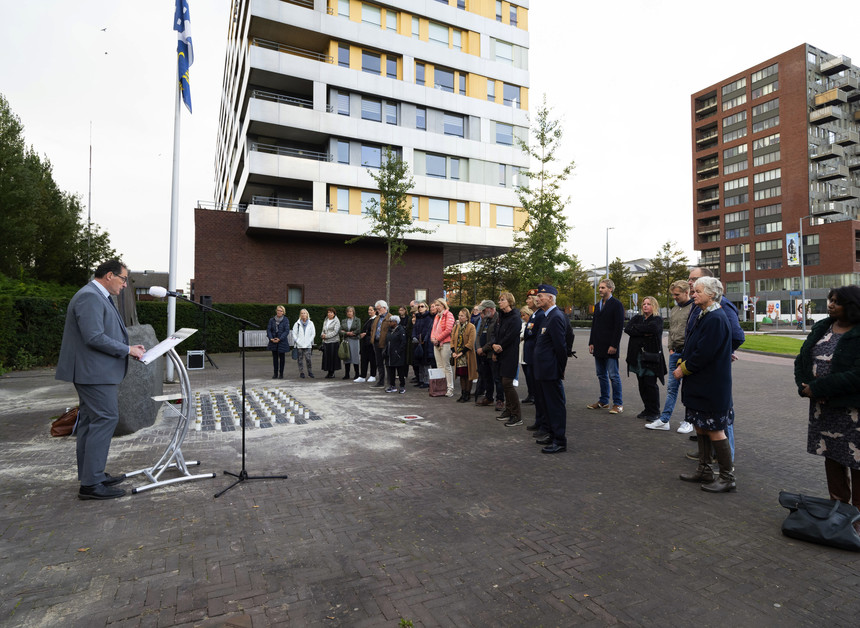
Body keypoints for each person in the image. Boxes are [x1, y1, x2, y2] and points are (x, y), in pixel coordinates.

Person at [56, 259, 146, 500]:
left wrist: (127, 346)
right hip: (92, 373)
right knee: (106, 417)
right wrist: (128, 350)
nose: (125, 285)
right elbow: (94, 337)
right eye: (123, 279)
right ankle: (91, 484)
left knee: (89, 421)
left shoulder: (98, 296)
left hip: (94, 371)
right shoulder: (90, 297)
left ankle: (91, 475)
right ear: (109, 275)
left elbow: (102, 333)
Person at [794, 285, 860, 515]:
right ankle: (839, 510)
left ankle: (858, 516)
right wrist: (804, 386)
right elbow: (802, 358)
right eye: (830, 300)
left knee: (856, 462)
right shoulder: (823, 326)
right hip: (824, 410)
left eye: (837, 301)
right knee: (832, 458)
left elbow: (856, 375)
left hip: (852, 412)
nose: (830, 304)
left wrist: (818, 387)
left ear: (851, 305)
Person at [674, 277, 736, 493]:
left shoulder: (716, 318)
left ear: (711, 294)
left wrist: (684, 368)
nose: (693, 294)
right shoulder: (706, 314)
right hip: (700, 384)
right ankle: (704, 469)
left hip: (711, 385)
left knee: (716, 429)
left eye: (698, 291)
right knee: (700, 425)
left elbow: (704, 353)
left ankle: (727, 477)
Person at [685, 267, 745, 460]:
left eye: (694, 279)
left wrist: (722, 353)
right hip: (700, 372)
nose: (690, 283)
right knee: (706, 419)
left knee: (720, 418)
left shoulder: (722, 306)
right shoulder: (698, 305)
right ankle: (708, 457)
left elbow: (736, 335)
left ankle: (727, 462)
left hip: (711, 375)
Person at [647, 281, 693, 432]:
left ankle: (689, 421)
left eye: (677, 294)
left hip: (688, 354)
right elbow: (672, 329)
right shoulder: (674, 309)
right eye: (673, 294)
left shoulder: (694, 309)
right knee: (672, 388)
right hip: (675, 353)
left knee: (689, 389)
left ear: (687, 292)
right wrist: (671, 348)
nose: (674, 297)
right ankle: (664, 420)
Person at [531, 285, 570, 453]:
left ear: (551, 298)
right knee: (547, 404)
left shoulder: (555, 317)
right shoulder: (547, 316)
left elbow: (561, 347)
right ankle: (552, 434)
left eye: (540, 296)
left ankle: (559, 440)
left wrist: (559, 369)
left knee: (555, 405)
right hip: (543, 369)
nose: (537, 299)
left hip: (550, 370)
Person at [624, 296, 667, 421]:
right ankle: (647, 409)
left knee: (650, 384)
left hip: (651, 358)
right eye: (644, 304)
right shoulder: (637, 318)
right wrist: (644, 332)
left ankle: (655, 411)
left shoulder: (657, 319)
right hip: (637, 357)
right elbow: (628, 329)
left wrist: (637, 329)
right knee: (641, 384)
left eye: (648, 304)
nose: (645, 306)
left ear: (654, 306)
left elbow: (653, 329)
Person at [587, 279, 625, 414]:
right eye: (599, 287)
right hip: (598, 345)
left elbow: (618, 327)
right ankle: (603, 401)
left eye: (603, 287)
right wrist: (591, 342)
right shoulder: (598, 306)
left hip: (610, 346)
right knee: (601, 374)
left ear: (610, 289)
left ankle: (618, 403)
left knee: (613, 375)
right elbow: (594, 325)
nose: (600, 290)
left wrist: (614, 345)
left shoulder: (617, 305)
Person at [492, 292, 523, 427]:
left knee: (508, 383)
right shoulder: (501, 316)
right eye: (499, 300)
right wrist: (494, 345)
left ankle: (517, 415)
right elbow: (495, 333)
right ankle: (509, 410)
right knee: (504, 383)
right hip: (500, 352)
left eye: (502, 300)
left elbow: (511, 335)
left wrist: (500, 346)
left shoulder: (516, 317)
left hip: (510, 354)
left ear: (509, 302)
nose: (500, 302)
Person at [477, 300, 505, 409]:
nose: (482, 312)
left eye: (484, 310)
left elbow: (495, 338)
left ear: (491, 309)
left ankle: (500, 399)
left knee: (497, 378)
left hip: (492, 353)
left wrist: (483, 348)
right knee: (486, 377)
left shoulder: (498, 320)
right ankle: (489, 397)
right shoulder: (485, 319)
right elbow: (479, 334)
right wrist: (479, 347)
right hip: (483, 353)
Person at [451, 308, 477, 402]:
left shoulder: (471, 327)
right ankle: (463, 393)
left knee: (468, 375)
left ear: (467, 317)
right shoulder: (456, 327)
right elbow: (452, 340)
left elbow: (470, 343)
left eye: (462, 315)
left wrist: (461, 353)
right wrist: (453, 351)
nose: (460, 317)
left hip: (467, 354)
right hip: (458, 355)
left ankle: (467, 394)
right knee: (461, 375)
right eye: (459, 315)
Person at [431, 298, 455, 397]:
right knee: (439, 366)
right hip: (436, 344)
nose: (436, 307)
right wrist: (432, 338)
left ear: (443, 305)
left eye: (438, 305)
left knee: (446, 366)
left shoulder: (449, 315)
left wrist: (438, 339)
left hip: (445, 343)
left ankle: (450, 388)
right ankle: (442, 387)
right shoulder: (437, 316)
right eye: (435, 305)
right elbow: (433, 329)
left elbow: (448, 330)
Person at [520, 289, 539, 404]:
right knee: (529, 376)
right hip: (528, 354)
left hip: (534, 354)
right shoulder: (534, 316)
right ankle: (532, 394)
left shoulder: (539, 316)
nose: (527, 301)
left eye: (530, 298)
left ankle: (535, 396)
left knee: (534, 378)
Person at [371, 300, 392, 388]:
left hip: (385, 343)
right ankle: (381, 381)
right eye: (376, 309)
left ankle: (390, 383)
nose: (377, 311)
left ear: (384, 308)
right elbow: (373, 329)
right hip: (376, 342)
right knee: (379, 363)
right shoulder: (377, 317)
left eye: (379, 309)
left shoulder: (390, 317)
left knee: (388, 363)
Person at [383, 315, 407, 393]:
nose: (389, 323)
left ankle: (402, 386)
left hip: (397, 354)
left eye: (391, 321)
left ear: (395, 322)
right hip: (390, 354)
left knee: (400, 371)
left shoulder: (401, 330)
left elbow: (403, 342)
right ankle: (392, 385)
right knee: (391, 370)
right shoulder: (389, 330)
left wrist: (398, 352)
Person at [412, 300, 433, 388]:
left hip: (425, 343)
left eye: (422, 306)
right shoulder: (417, 317)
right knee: (419, 362)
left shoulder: (428, 318)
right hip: (417, 342)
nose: (420, 308)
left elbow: (427, 330)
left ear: (426, 308)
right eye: (419, 306)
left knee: (425, 363)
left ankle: (426, 381)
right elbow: (414, 328)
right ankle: (420, 380)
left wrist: (422, 338)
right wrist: (414, 336)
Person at [266, 305, 291, 379]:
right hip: (273, 341)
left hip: (282, 341)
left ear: (283, 312)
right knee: (275, 358)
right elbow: (269, 330)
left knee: (282, 358)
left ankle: (281, 374)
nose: (279, 312)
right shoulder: (272, 320)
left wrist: (280, 339)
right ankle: (275, 373)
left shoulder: (286, 320)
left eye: (281, 311)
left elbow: (286, 331)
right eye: (278, 310)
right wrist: (271, 338)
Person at [355, 305, 377, 383]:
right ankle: (362, 376)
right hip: (364, 342)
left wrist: (366, 335)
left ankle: (373, 375)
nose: (369, 311)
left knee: (372, 359)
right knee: (364, 359)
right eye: (368, 310)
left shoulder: (376, 320)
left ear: (375, 311)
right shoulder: (368, 319)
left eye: (371, 310)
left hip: (371, 343)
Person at [292, 309, 316, 378]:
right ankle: (301, 372)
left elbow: (313, 334)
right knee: (300, 359)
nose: (303, 314)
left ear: (307, 314)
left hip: (308, 345)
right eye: (302, 313)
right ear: (300, 315)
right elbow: (294, 334)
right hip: (299, 345)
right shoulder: (297, 324)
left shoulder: (311, 323)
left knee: (308, 359)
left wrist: (309, 341)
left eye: (304, 313)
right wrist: (298, 341)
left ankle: (310, 372)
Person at [340, 306, 361, 380]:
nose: (349, 313)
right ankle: (347, 374)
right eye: (348, 311)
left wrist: (352, 333)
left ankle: (357, 374)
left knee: (355, 356)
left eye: (351, 311)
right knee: (347, 356)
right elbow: (340, 331)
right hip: (346, 340)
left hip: (354, 340)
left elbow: (358, 329)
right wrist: (347, 333)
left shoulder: (357, 320)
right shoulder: (343, 321)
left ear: (353, 312)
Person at [320, 307, 342, 378]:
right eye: (328, 312)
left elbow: (335, 332)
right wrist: (322, 335)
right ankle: (329, 372)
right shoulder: (326, 320)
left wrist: (326, 336)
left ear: (334, 313)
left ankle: (332, 372)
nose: (329, 314)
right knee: (327, 358)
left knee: (333, 358)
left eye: (331, 312)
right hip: (326, 342)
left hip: (334, 342)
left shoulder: (336, 321)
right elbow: (323, 329)